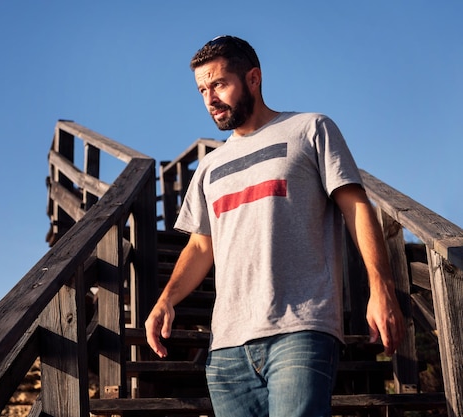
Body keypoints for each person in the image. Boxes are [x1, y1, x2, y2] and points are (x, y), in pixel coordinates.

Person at [145, 35, 405, 417]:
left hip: (300, 328)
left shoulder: (310, 129)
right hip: (227, 348)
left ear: (253, 78)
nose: (210, 99)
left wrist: (381, 288)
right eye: (202, 89)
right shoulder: (210, 168)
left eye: (219, 84)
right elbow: (201, 246)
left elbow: (356, 208)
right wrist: (166, 299)